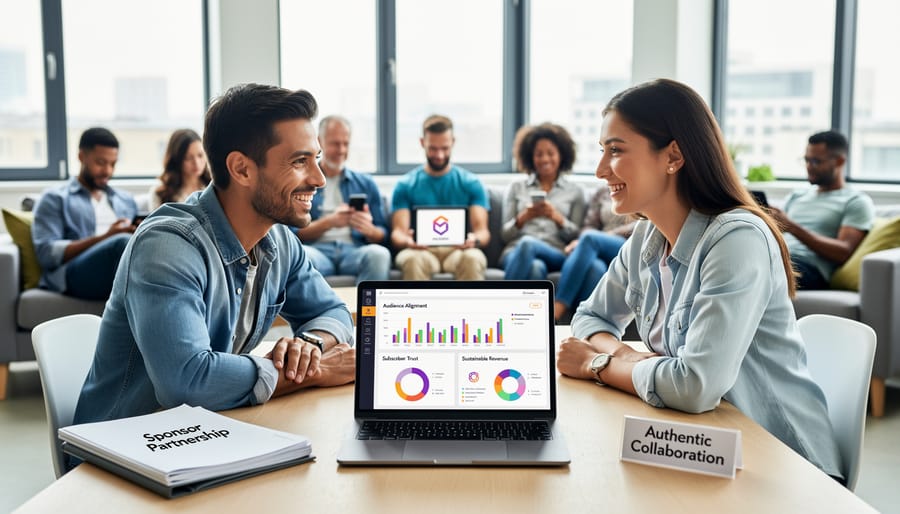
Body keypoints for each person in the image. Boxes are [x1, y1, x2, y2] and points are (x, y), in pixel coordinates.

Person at [556, 78, 842, 481]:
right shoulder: (647, 237)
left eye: (616, 150)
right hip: (699, 443)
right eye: (602, 150)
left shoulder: (737, 239)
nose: (601, 170)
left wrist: (596, 363)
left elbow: (695, 386)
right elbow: (590, 317)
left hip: (786, 466)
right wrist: (626, 355)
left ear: (673, 156)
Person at [73, 84, 355, 428]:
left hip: (206, 431)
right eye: (299, 162)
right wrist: (315, 371)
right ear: (241, 169)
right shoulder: (167, 246)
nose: (319, 179)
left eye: (316, 159)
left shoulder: (278, 239)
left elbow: (333, 311)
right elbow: (186, 380)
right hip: (125, 443)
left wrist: (309, 346)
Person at [31, 127, 138, 300]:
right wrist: (106, 237)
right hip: (75, 272)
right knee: (121, 243)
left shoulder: (125, 200)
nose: (108, 171)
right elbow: (47, 253)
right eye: (101, 163)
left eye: (113, 164)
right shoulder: (55, 198)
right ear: (81, 156)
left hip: (121, 269)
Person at [767, 131, 874, 289]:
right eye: (807, 160)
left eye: (816, 161)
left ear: (839, 161)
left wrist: (792, 227)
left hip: (809, 268)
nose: (809, 167)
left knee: (759, 271)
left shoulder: (856, 201)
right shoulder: (797, 196)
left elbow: (844, 251)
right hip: (776, 257)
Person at [390, 115, 491, 280]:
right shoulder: (405, 185)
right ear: (422, 142)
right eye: (433, 148)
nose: (440, 155)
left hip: (459, 250)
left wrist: (474, 240)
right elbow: (398, 233)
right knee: (411, 259)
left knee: (473, 258)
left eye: (445, 148)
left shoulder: (471, 183)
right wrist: (408, 241)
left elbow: (483, 232)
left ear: (453, 142)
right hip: (420, 251)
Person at [294, 115, 391, 284]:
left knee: (379, 254)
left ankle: (368, 303)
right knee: (301, 256)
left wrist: (369, 230)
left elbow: (383, 232)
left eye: (346, 144)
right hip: (317, 250)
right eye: (335, 144)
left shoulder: (365, 183)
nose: (341, 150)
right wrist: (330, 222)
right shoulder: (302, 183)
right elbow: (292, 234)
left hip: (354, 251)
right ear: (319, 142)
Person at [500, 123, 585, 280]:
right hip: (516, 251)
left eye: (550, 153)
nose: (545, 159)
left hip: (555, 252)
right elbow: (505, 235)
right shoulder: (516, 187)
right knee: (535, 268)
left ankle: (503, 296)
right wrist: (523, 217)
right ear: (531, 157)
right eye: (539, 154)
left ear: (561, 155)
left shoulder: (575, 191)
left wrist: (556, 217)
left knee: (528, 243)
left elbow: (576, 236)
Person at [553, 185, 634, 322]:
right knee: (595, 267)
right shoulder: (603, 191)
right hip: (598, 246)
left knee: (590, 238)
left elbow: (642, 224)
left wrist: (601, 237)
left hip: (629, 243)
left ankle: (557, 310)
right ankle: (581, 325)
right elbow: (589, 225)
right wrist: (586, 241)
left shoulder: (640, 185)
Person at [148, 128, 212, 210]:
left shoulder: (214, 186)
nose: (196, 163)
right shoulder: (160, 193)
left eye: (200, 155)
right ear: (176, 159)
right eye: (188, 158)